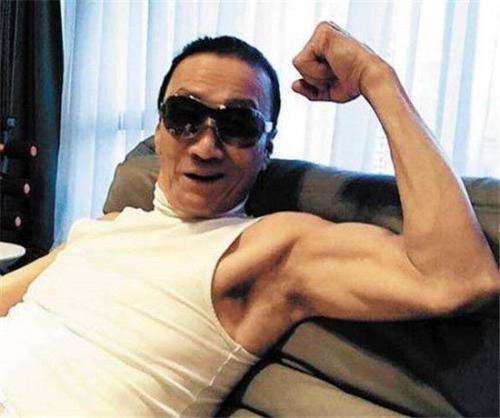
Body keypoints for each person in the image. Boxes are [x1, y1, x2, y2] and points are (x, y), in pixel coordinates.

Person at [0, 21, 498, 418]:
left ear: (265, 152)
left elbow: (458, 278)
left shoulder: (264, 250)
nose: (205, 146)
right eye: (185, 116)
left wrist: (376, 77)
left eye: (238, 125)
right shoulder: (106, 230)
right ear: (159, 129)